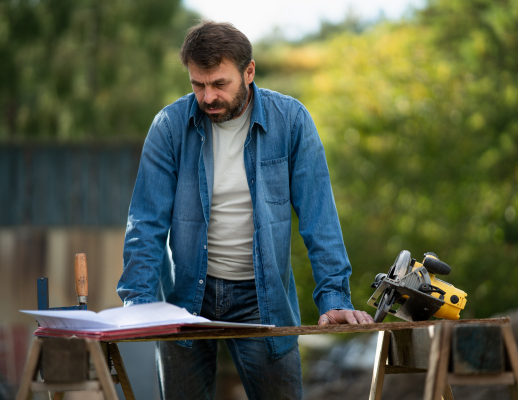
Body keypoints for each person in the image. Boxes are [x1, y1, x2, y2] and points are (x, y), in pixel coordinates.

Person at [117, 20, 374, 400]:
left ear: (249, 72)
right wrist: (137, 301)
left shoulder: (292, 122)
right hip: (186, 297)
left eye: (219, 84)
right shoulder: (169, 127)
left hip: (263, 299)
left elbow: (320, 219)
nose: (208, 97)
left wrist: (334, 298)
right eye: (198, 84)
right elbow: (146, 221)